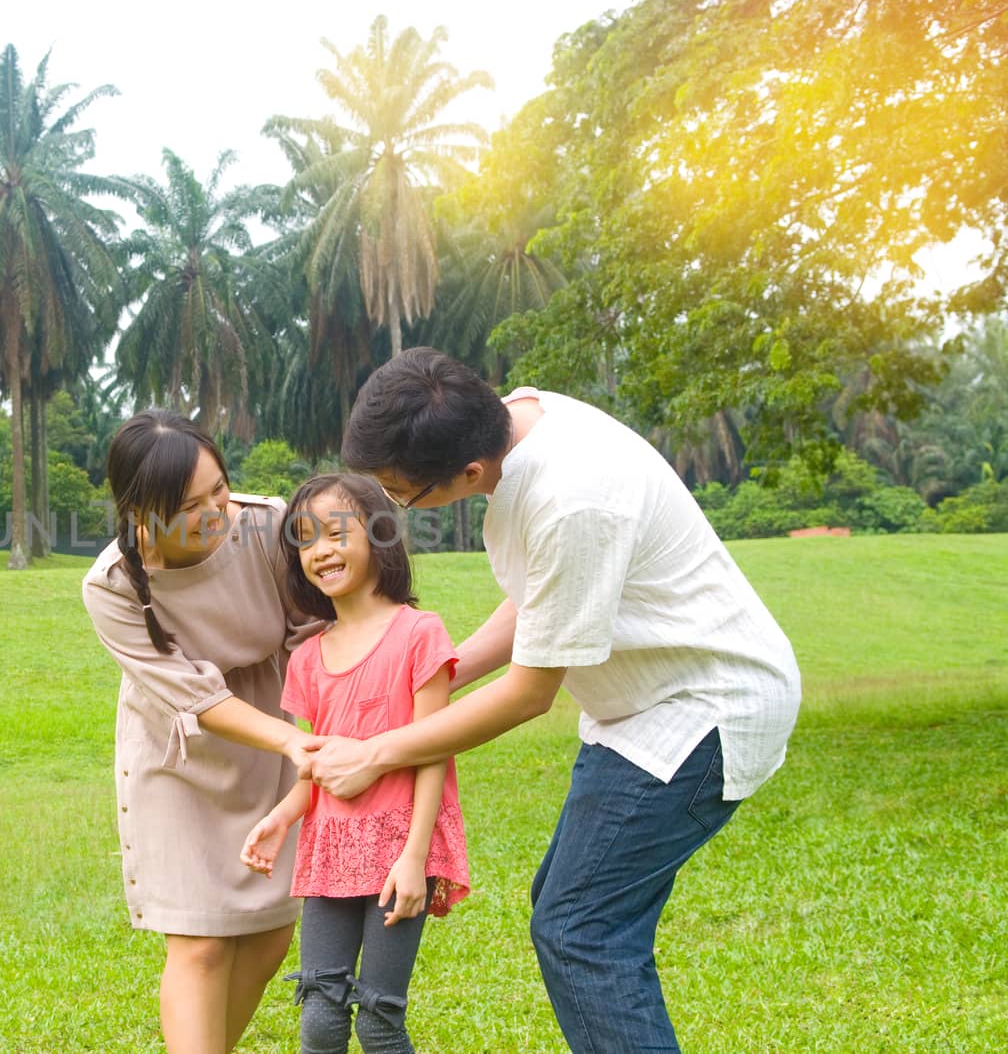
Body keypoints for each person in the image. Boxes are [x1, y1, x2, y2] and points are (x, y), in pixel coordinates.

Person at [307, 347, 801, 1052]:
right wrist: (430, 670)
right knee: (578, 915)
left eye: (400, 492)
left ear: (469, 473)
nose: (393, 504)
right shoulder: (521, 420)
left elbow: (529, 695)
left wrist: (377, 752)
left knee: (581, 928)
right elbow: (548, 595)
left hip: (703, 712)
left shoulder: (570, 498)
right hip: (640, 711)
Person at [81, 410, 322, 1054]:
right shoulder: (113, 583)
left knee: (271, 933)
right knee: (203, 942)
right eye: (191, 504)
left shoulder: (268, 525)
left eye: (220, 487)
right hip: (178, 753)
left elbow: (313, 638)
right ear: (142, 513)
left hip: (272, 736)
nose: (218, 510)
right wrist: (289, 741)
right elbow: (198, 698)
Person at [240, 474, 469, 1054]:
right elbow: (316, 769)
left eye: (338, 532)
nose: (322, 550)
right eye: (306, 539)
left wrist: (417, 857)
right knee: (318, 1017)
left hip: (400, 850)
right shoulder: (308, 657)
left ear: (380, 536)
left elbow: (433, 748)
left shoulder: (420, 633)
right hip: (330, 852)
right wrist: (282, 817)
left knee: (377, 1021)